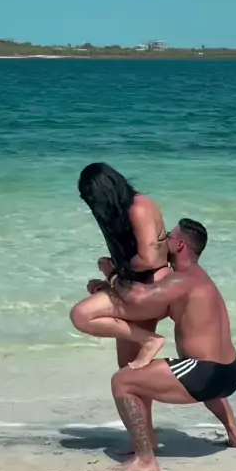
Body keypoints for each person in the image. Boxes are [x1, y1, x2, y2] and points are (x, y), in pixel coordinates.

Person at [106, 218, 236, 471]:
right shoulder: (201, 279)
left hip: (204, 374)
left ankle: (145, 459)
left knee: (123, 381)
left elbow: (138, 297)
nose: (162, 242)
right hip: (230, 373)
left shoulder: (181, 280)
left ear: (180, 245)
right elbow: (157, 306)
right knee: (199, 374)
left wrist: (111, 274)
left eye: (168, 237)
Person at [70, 163, 171, 452]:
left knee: (81, 314)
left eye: (92, 200)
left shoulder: (139, 207)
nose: (92, 207)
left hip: (149, 290)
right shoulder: (121, 212)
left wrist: (113, 272)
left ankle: (149, 340)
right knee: (131, 373)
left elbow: (149, 258)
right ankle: (145, 440)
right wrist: (112, 279)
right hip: (133, 286)